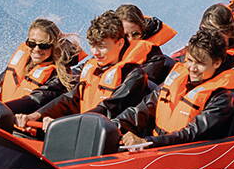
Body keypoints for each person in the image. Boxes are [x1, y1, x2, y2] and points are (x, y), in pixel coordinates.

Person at [116, 29, 234, 149]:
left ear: (217, 63)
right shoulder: (178, 79)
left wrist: (147, 142)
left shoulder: (222, 98)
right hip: (157, 147)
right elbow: (143, 109)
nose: (192, 68)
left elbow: (191, 134)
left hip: (186, 154)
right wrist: (115, 125)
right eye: (189, 60)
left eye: (200, 63)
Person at [17, 10, 148, 130]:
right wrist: (36, 115)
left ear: (120, 43)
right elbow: (70, 99)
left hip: (108, 137)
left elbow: (108, 108)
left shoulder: (134, 75)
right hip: (83, 130)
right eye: (92, 45)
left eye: (102, 46)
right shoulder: (90, 67)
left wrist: (64, 123)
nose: (95, 52)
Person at [0, 18, 82, 113]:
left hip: (20, 125)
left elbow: (35, 101)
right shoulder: (21, 61)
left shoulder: (59, 76)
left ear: (54, 46)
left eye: (44, 45)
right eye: (32, 43)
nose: (36, 49)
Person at [115, 3, 176, 83]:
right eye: (125, 35)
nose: (131, 40)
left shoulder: (155, 58)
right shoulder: (107, 53)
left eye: (136, 34)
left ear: (143, 31)